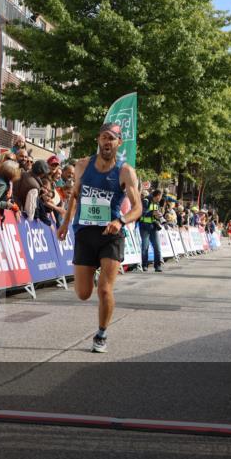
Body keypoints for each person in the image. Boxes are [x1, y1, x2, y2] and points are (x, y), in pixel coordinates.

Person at [57, 122, 142, 353]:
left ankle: (101, 334)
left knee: (104, 290)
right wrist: (65, 224)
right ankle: (93, 270)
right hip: (84, 233)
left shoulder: (125, 171)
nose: (107, 142)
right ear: (98, 139)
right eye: (104, 137)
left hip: (110, 235)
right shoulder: (83, 166)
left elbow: (137, 208)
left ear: (118, 143)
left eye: (112, 138)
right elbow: (74, 195)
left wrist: (120, 221)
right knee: (83, 294)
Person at [140, 189, 164, 272]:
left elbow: (155, 213)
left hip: (153, 226)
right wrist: (152, 213)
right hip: (144, 227)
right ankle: (144, 265)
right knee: (145, 247)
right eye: (160, 196)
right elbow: (142, 212)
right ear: (157, 195)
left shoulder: (156, 203)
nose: (160, 198)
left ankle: (158, 266)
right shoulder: (146, 200)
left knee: (157, 247)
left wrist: (158, 216)